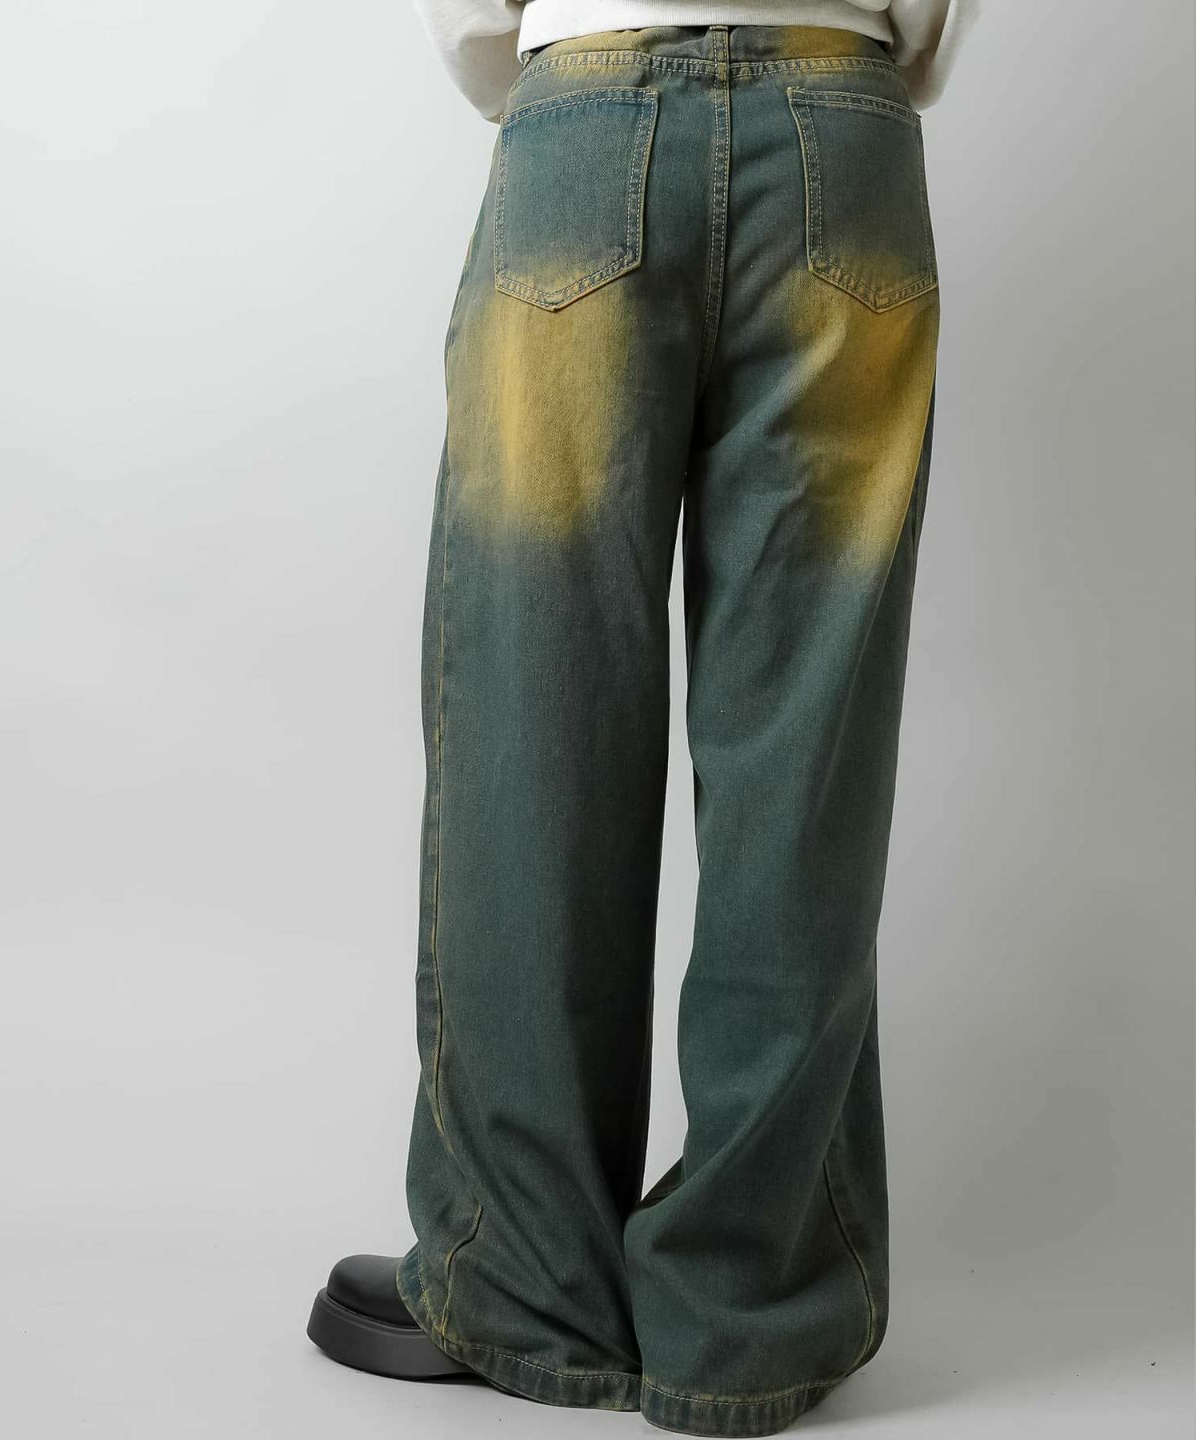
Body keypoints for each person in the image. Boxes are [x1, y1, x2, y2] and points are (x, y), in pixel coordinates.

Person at [307, 2, 978, 1435]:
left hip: (592, 114)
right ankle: (747, 1309)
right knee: (805, 752)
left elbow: (475, 19)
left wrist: (546, 56)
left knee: (532, 726)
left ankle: (527, 1282)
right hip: (842, 126)